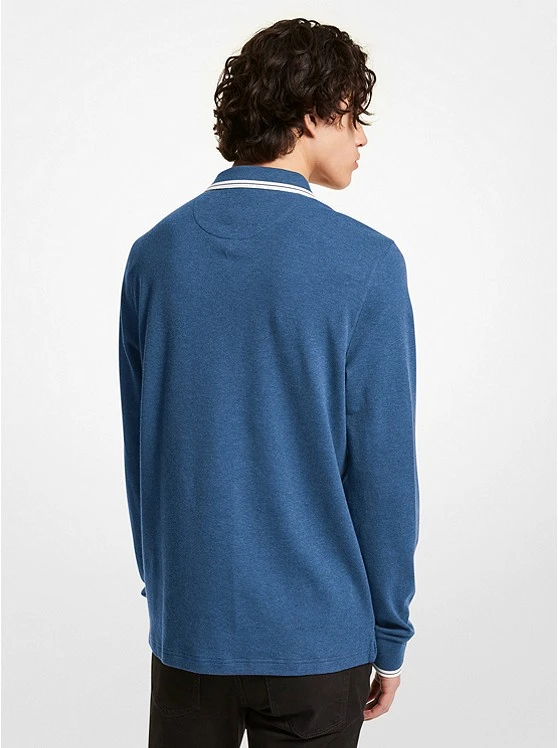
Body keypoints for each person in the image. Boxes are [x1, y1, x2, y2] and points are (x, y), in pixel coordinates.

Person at [119, 17, 420, 748]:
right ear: (313, 115)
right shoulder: (367, 262)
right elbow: (382, 471)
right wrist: (389, 632)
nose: (362, 137)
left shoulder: (153, 257)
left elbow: (143, 457)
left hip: (189, 631)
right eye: (353, 114)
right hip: (318, 639)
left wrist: (169, 592)